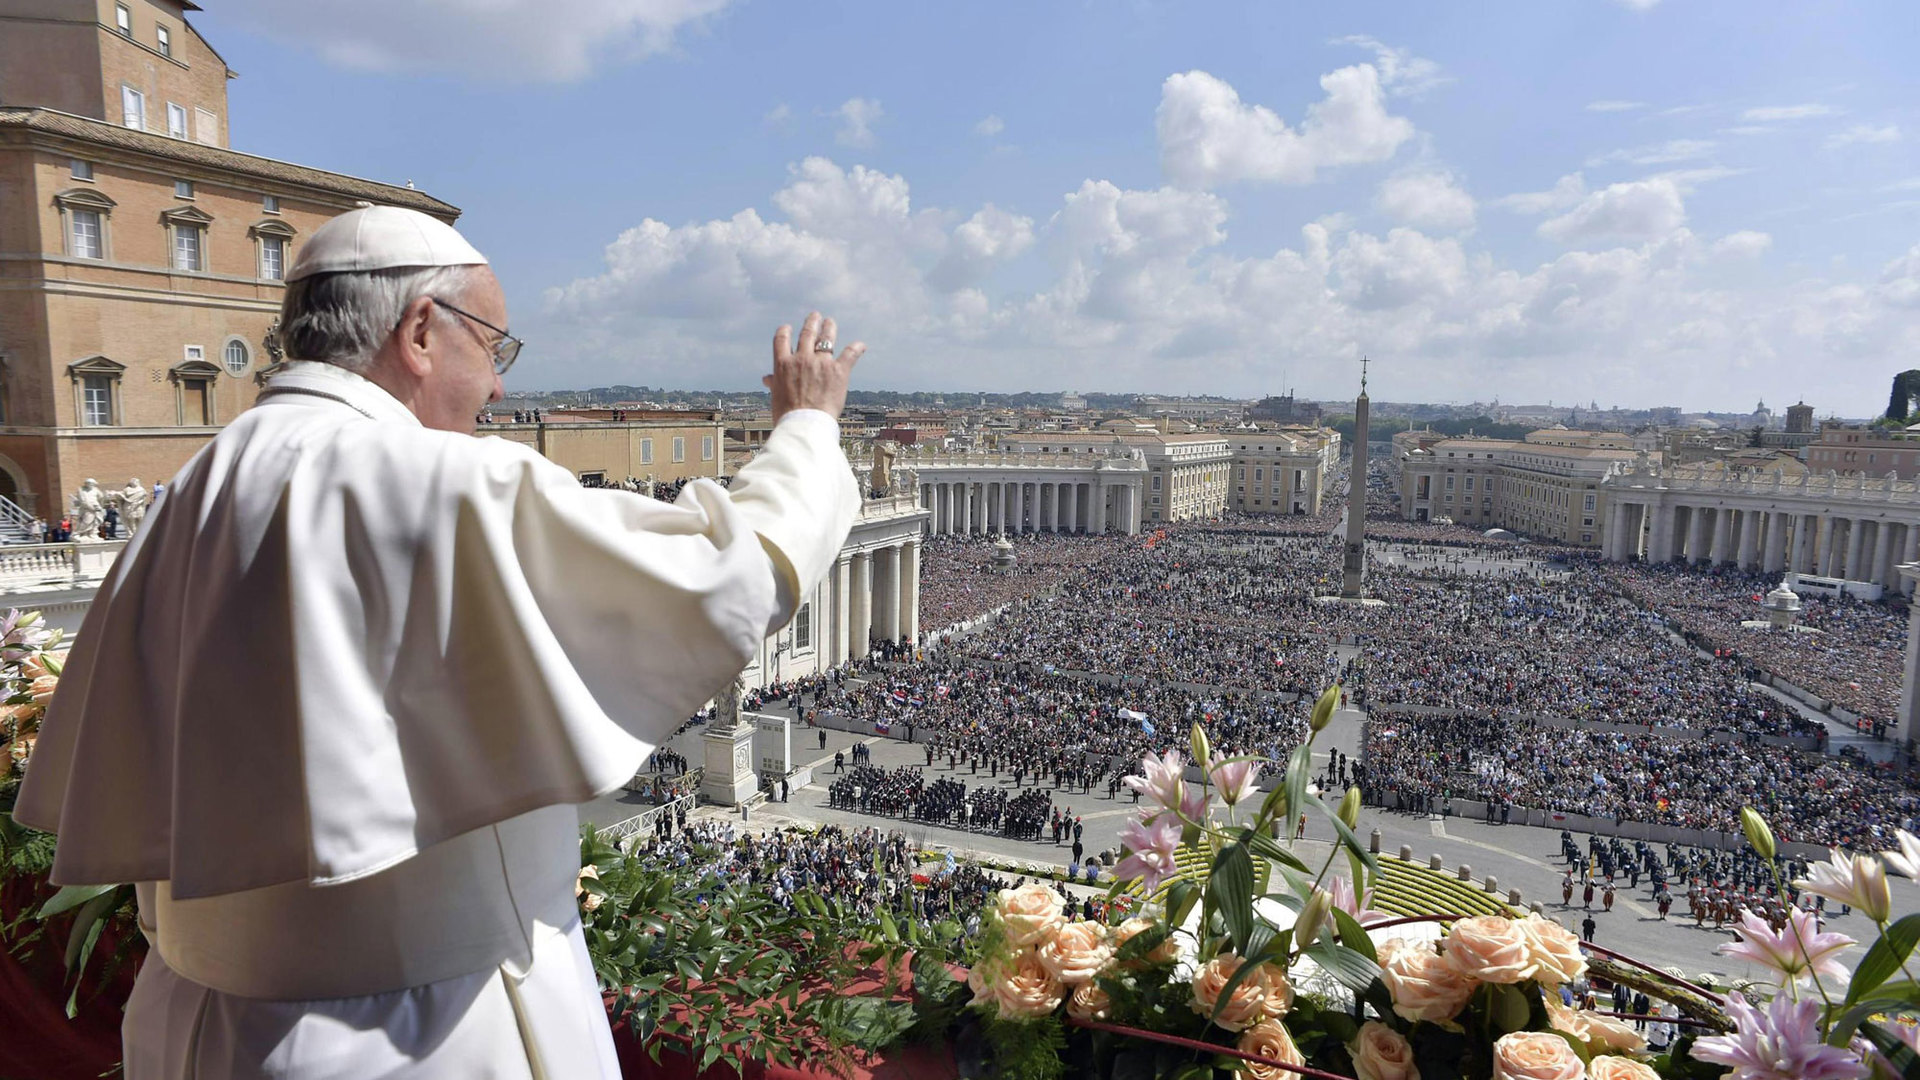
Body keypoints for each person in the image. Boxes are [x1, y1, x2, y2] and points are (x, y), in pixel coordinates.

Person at [14, 206, 867, 1079]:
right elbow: (729, 578)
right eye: (495, 349)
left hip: (196, 1029)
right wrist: (806, 428)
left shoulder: (197, 483)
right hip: (419, 1037)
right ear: (420, 331)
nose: (497, 389)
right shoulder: (432, 477)